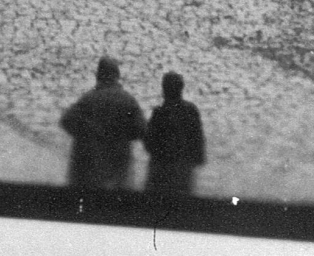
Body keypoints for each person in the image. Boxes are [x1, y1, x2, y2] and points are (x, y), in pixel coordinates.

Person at [59, 56, 147, 190]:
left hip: (89, 169)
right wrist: (121, 135)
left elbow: (66, 121)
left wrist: (87, 134)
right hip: (118, 167)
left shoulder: (88, 99)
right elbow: (142, 129)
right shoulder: (128, 100)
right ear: (117, 75)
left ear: (98, 75)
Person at [144, 71, 207, 196]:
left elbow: (149, 144)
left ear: (164, 89)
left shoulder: (159, 113)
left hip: (160, 172)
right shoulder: (191, 111)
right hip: (182, 171)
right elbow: (198, 143)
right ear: (181, 89)